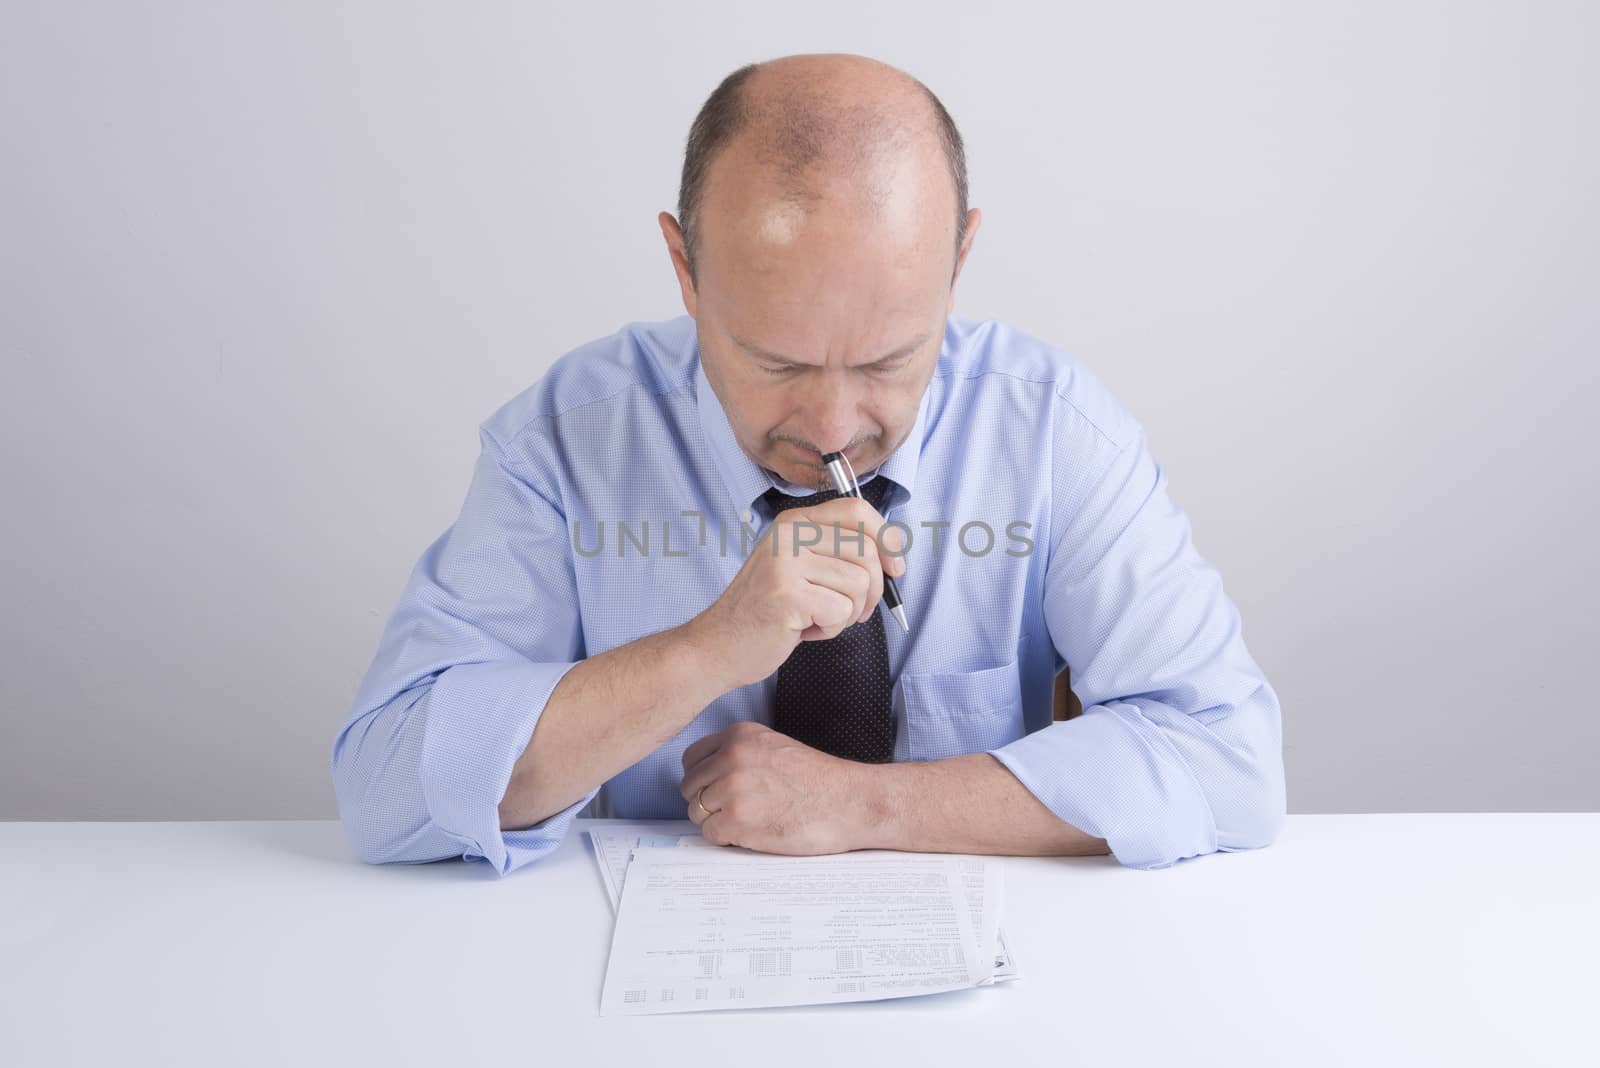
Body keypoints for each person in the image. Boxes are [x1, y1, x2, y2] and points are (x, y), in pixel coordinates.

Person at [331, 53, 1285, 876]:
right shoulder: (565, 441)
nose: (833, 424)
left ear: (958, 263)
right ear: (684, 268)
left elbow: (1230, 762)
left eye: (886, 361)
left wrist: (866, 806)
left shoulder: (1053, 431)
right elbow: (384, 790)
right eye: (775, 361)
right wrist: (706, 650)